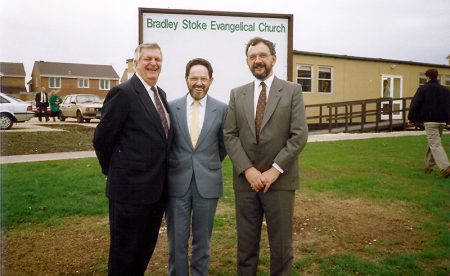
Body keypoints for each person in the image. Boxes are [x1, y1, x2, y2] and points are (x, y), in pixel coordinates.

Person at [223, 37, 308, 275]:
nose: (257, 60)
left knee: (281, 247)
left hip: (280, 182)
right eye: (252, 57)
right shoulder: (237, 94)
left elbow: (299, 135)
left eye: (262, 55)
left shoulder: (292, 91)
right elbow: (230, 135)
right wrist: (248, 170)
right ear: (247, 61)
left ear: (274, 58)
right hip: (246, 182)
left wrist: (274, 170)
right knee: (246, 246)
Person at [93, 43, 173, 275]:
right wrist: (116, 172)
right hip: (129, 194)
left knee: (143, 253)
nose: (153, 63)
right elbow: (102, 139)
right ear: (136, 62)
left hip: (156, 193)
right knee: (124, 256)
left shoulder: (160, 95)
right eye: (148, 58)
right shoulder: (124, 93)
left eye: (157, 59)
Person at [166, 58, 227, 275]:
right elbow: (168, 144)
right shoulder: (171, 107)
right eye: (194, 78)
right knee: (177, 242)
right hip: (176, 185)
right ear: (186, 79)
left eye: (203, 78)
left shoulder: (222, 109)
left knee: (203, 242)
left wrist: (207, 165)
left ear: (211, 80)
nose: (198, 83)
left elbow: (223, 147)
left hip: (207, 185)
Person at [408, 68, 450, 178]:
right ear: (437, 77)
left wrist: (411, 118)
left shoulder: (423, 89)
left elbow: (415, 104)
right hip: (442, 121)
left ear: (428, 77)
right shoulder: (445, 90)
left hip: (430, 121)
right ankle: (428, 167)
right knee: (433, 142)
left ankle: (445, 167)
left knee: (435, 144)